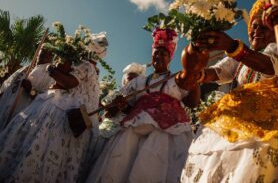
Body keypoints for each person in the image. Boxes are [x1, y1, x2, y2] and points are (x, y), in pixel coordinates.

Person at [181, 0, 278, 183]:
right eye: (254, 26)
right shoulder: (236, 57)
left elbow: (269, 66)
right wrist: (196, 69)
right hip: (234, 117)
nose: (257, 31)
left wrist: (232, 46)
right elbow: (217, 72)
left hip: (271, 121)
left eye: (264, 27)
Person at [86, 27, 201, 183]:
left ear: (170, 58)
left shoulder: (177, 79)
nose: (159, 56)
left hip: (168, 131)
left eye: (164, 53)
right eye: (156, 53)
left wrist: (195, 76)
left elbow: (193, 103)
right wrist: (121, 104)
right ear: (152, 55)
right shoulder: (139, 82)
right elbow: (125, 106)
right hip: (134, 128)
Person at [0, 32, 106, 182]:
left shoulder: (86, 66)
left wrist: (52, 70)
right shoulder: (88, 68)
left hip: (60, 114)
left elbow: (69, 83)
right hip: (61, 112)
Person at [0, 48, 54, 130]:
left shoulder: (50, 76)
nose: (44, 53)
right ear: (38, 51)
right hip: (4, 108)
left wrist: (30, 90)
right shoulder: (26, 68)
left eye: (49, 53)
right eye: (43, 50)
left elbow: (44, 100)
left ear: (52, 57)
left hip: (20, 114)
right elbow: (9, 86)